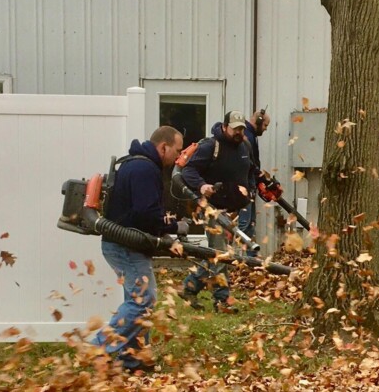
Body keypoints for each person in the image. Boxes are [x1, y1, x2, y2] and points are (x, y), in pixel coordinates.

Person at [93, 126, 185, 374]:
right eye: (177, 150)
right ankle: (97, 349)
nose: (178, 157)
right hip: (125, 246)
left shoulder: (135, 163)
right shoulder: (145, 169)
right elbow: (146, 214)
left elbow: (140, 212)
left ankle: (132, 359)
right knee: (143, 301)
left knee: (135, 300)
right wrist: (174, 226)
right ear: (163, 147)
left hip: (122, 244)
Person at [179, 111, 257, 313]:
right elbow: (188, 171)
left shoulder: (245, 146)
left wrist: (251, 190)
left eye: (241, 128)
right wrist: (202, 185)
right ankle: (222, 301)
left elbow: (251, 171)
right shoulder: (210, 146)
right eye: (235, 128)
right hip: (211, 208)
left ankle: (189, 287)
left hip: (233, 209)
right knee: (221, 253)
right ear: (224, 126)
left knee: (218, 254)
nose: (239, 132)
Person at [237, 109, 271, 258]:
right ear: (258, 121)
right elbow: (247, 162)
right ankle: (237, 257)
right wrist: (258, 174)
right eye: (265, 125)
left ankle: (251, 258)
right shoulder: (247, 136)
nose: (266, 129)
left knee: (251, 222)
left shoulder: (252, 136)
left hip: (250, 183)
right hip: (244, 184)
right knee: (244, 223)